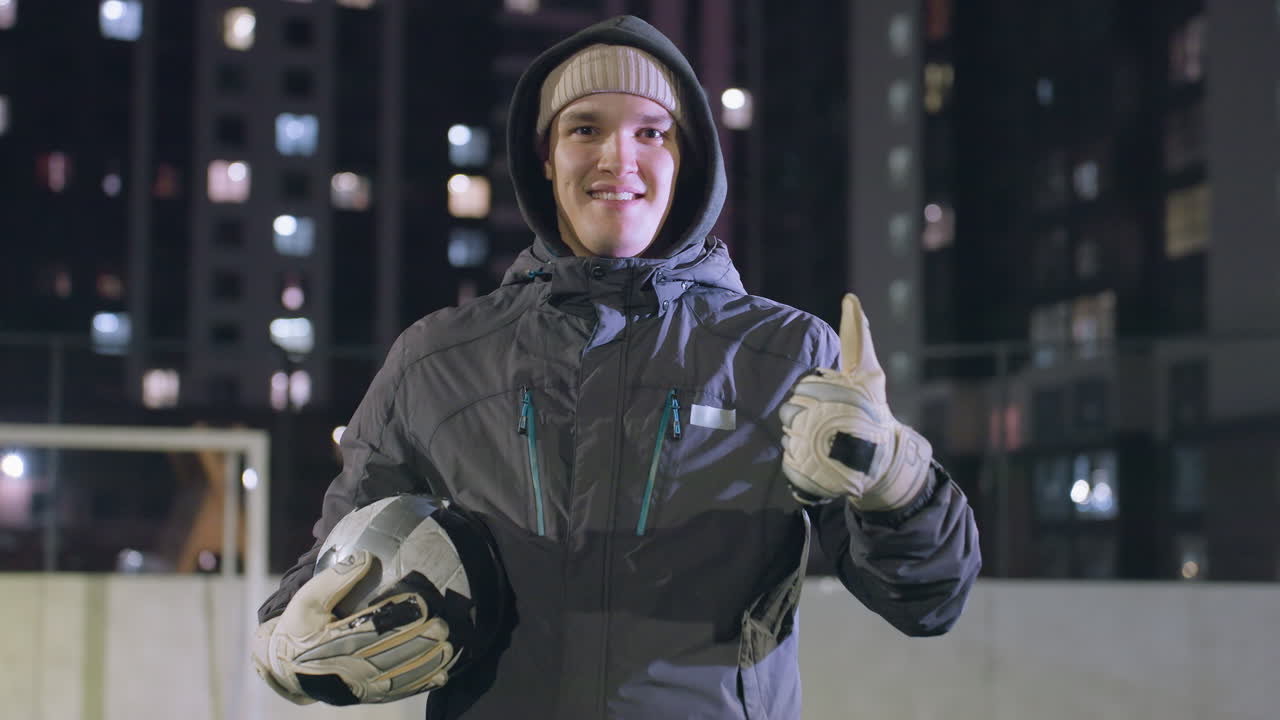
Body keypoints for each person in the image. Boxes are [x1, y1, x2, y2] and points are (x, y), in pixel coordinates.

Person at [252, 14, 980, 720]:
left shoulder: (786, 357)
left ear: (686, 158)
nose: (617, 159)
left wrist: (895, 479)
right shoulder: (437, 361)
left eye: (651, 133)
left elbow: (929, 602)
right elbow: (337, 563)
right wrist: (287, 642)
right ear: (544, 156)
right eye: (585, 129)